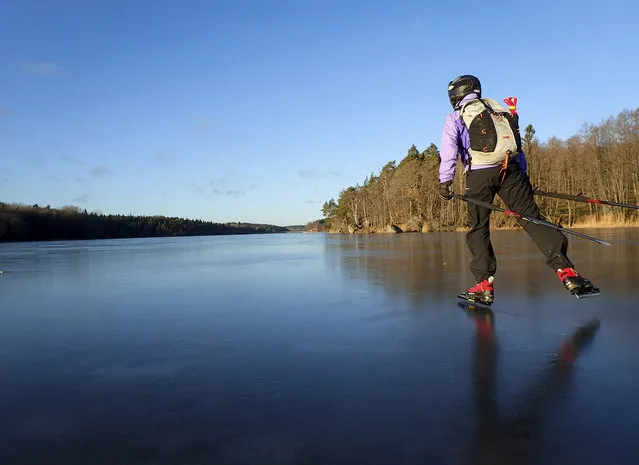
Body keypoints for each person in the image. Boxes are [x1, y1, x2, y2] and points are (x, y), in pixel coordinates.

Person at [437, 75, 598, 305]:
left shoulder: (455, 117)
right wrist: (523, 176)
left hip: (480, 174)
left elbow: (449, 149)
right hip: (510, 168)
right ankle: (567, 272)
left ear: (456, 95)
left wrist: (445, 181)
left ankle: (483, 285)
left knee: (479, 227)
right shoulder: (497, 110)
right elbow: (516, 144)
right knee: (533, 219)